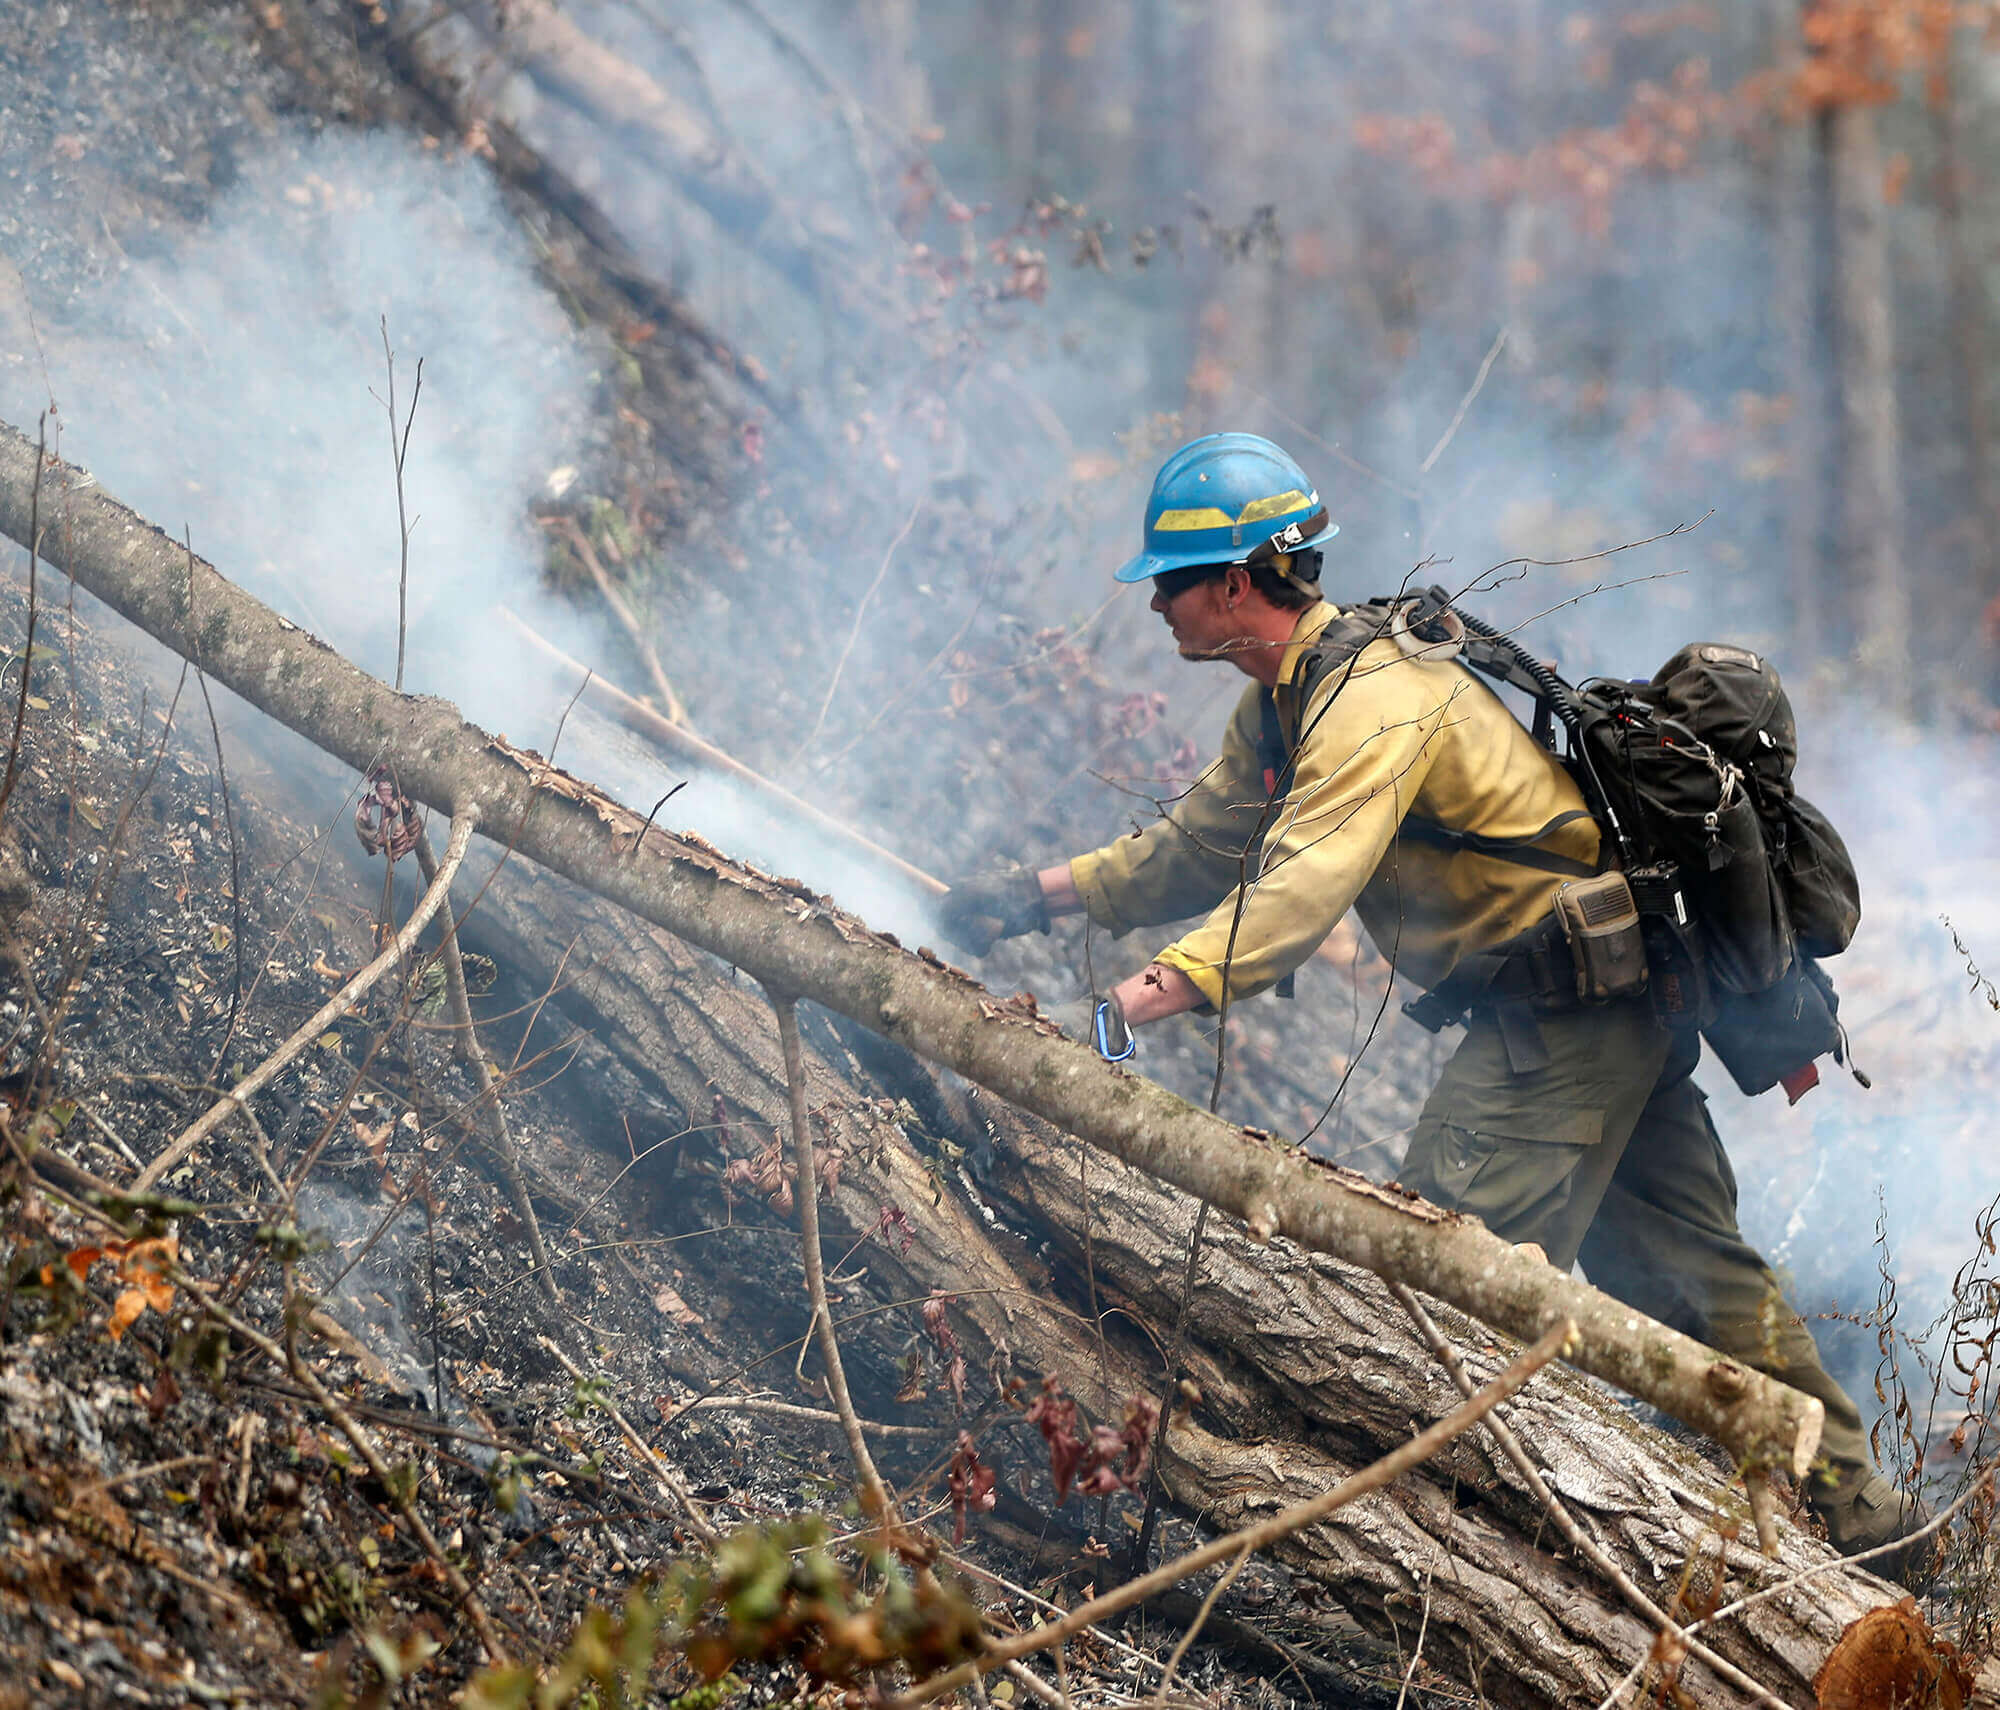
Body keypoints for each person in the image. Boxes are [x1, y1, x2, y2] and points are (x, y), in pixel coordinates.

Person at [938, 431, 1928, 1578]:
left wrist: (1135, 1003)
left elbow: (1303, 877)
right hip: (1603, 1012)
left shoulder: (1371, 697)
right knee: (1691, 1270)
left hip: (1558, 1022)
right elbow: (1197, 845)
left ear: (1233, 578)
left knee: (1423, 1296)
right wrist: (1030, 900)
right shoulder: (1285, 700)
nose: (1154, 605)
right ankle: (1857, 1513)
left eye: (1168, 580)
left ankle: (1489, 1570)